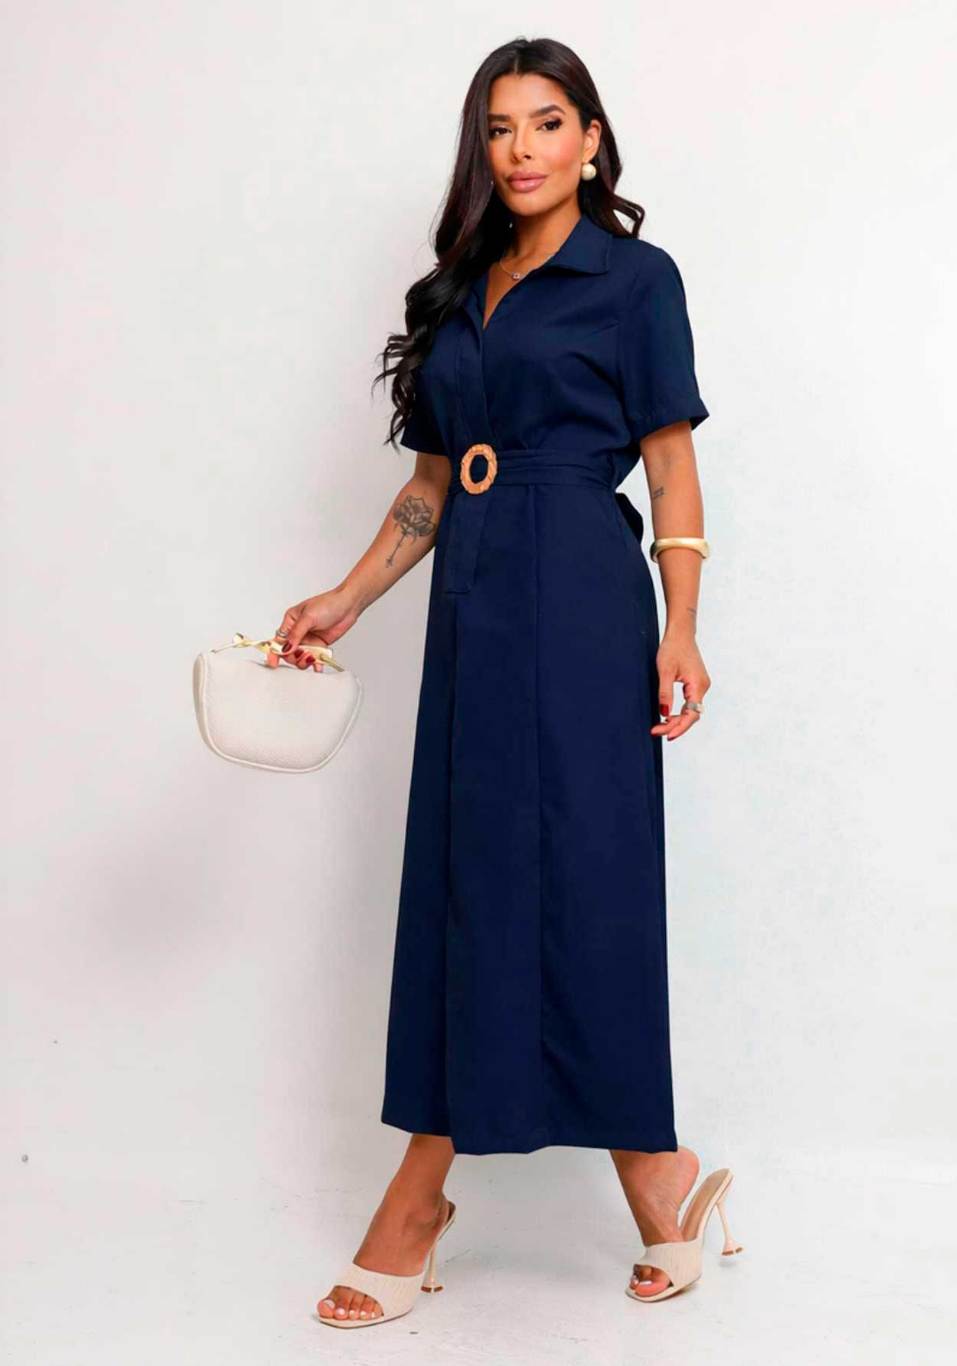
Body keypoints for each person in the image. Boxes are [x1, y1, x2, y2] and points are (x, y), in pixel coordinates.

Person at [271, 38, 736, 1328]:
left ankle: (551, 1182)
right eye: (498, 127)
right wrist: (346, 599)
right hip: (475, 606)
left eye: (546, 122)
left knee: (588, 875)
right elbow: (432, 484)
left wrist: (683, 627)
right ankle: (643, 1182)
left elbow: (671, 463)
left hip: (583, 597)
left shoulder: (635, 279)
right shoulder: (455, 289)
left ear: (591, 140)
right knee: (468, 878)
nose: (521, 148)